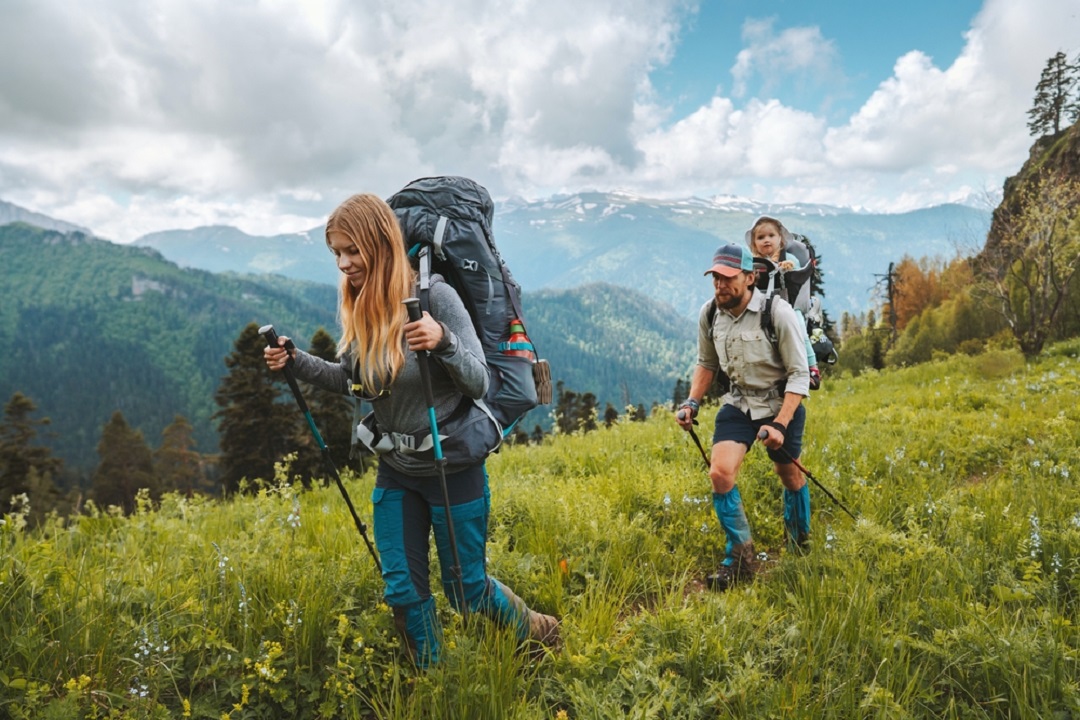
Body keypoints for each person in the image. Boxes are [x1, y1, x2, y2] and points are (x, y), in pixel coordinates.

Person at [264, 193, 558, 668]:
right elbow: (354, 380)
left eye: (352, 251)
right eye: (336, 253)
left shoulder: (435, 297)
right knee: (402, 590)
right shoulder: (361, 304)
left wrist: (444, 343)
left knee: (467, 591)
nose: (343, 264)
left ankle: (539, 630)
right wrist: (295, 362)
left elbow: (479, 380)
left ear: (379, 243)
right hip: (396, 470)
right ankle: (433, 679)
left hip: (452, 466)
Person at [676, 243, 812, 591]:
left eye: (728, 278)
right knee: (720, 473)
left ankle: (799, 542)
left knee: (790, 474)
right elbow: (706, 363)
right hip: (738, 403)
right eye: (715, 279)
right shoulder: (710, 314)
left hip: (780, 402)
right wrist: (692, 401)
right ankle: (740, 557)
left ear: (750, 278)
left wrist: (780, 423)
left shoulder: (776, 313)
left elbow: (798, 375)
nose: (720, 286)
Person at [745, 216, 821, 390]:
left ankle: (812, 367)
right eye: (761, 237)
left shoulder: (788, 258)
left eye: (771, 235)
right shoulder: (752, 263)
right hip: (760, 306)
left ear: (780, 238)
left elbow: (794, 268)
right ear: (754, 243)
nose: (766, 240)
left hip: (787, 305)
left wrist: (787, 266)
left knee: (799, 327)